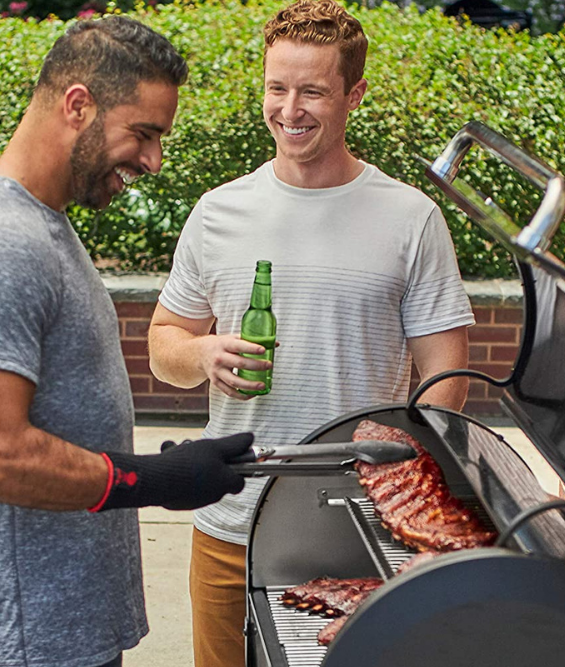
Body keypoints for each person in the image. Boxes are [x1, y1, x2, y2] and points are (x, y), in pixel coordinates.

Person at [0, 17, 254, 667]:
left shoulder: (44, 224)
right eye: (144, 133)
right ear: (79, 105)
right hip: (17, 640)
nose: (153, 161)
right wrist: (150, 478)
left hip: (54, 631)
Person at [146, 1, 475, 665]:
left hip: (352, 527)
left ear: (354, 94)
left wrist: (400, 497)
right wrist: (201, 352)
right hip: (229, 524)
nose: (289, 109)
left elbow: (447, 378)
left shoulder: (410, 218)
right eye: (277, 87)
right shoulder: (219, 212)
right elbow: (164, 347)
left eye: (312, 91)